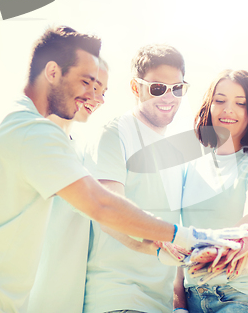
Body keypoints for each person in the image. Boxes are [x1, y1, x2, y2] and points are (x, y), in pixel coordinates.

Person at [0, 26, 242, 313]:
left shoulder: (55, 139)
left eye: (100, 89)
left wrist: (161, 252)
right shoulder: (32, 131)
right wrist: (187, 237)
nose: (94, 97)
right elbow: (103, 207)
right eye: (87, 83)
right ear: (52, 72)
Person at [81, 44, 190, 313]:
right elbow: (109, 211)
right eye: (157, 88)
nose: (169, 96)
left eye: (177, 88)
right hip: (119, 299)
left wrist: (180, 305)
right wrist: (160, 241)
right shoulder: (115, 133)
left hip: (160, 305)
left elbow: (173, 240)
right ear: (135, 88)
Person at [177, 69, 248, 313]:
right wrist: (178, 303)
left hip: (241, 295)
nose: (228, 110)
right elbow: (180, 237)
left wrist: (207, 251)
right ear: (208, 106)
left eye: (240, 103)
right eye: (220, 100)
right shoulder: (192, 165)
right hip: (193, 297)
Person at [27, 58, 108, 313]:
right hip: (28, 298)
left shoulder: (85, 152)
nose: (99, 99)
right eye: (92, 87)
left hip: (70, 300)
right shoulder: (31, 138)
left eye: (104, 92)